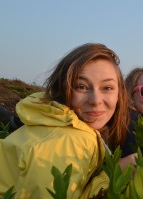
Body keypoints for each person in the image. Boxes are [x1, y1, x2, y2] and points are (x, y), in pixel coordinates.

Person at [0, 43, 129, 198]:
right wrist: (115, 174)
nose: (95, 100)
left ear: (119, 93)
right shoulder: (70, 140)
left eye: (107, 88)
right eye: (81, 86)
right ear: (62, 89)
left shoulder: (52, 121)